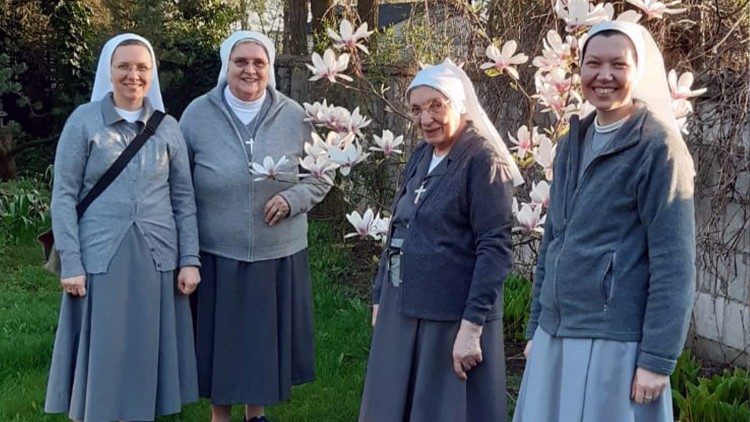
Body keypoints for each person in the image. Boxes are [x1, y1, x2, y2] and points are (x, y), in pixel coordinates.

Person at [513, 21, 696, 421]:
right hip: (555, 334)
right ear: (579, 70)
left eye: (618, 64)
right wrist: (536, 326)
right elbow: (553, 241)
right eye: (593, 63)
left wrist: (657, 359)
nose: (604, 75)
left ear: (638, 70)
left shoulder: (658, 148)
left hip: (613, 339)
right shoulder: (572, 142)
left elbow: (674, 262)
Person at [44, 34, 201, 422]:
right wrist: (71, 262)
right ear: (109, 72)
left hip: (157, 258)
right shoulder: (83, 121)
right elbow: (63, 195)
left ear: (153, 74)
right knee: (106, 351)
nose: (133, 75)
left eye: (142, 67)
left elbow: (184, 199)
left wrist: (189, 260)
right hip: (99, 257)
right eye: (124, 66)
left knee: (145, 353)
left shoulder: (168, 129)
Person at [358, 59, 524, 422]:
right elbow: (397, 228)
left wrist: (472, 327)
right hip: (402, 305)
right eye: (417, 109)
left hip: (449, 319)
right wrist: (378, 295)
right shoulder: (422, 155)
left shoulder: (483, 161)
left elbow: (494, 249)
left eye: (437, 105)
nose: (426, 118)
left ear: (459, 104)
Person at [180, 31, 330, 422]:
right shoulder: (197, 114)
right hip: (217, 249)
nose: (250, 70)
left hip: (277, 251)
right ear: (226, 66)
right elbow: (179, 185)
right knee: (222, 341)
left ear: (270, 68)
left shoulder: (296, 116)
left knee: (262, 340)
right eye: (240, 61)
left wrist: (292, 199)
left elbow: (322, 174)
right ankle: (220, 415)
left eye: (258, 62)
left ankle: (256, 414)